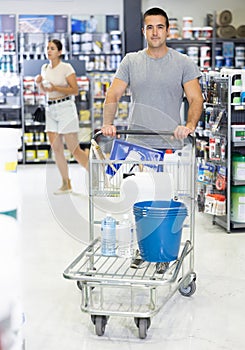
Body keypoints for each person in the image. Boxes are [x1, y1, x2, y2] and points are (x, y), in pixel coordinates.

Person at [101, 7, 204, 273]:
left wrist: (189, 125)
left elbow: (195, 99)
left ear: (168, 30)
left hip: (170, 146)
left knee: (164, 205)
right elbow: (113, 95)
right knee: (139, 203)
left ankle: (163, 252)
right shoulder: (131, 61)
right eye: (150, 27)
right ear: (143, 31)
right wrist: (108, 124)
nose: (155, 32)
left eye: (160, 27)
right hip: (138, 146)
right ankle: (142, 248)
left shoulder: (182, 63)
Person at [35, 39, 88, 195]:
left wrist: (55, 87)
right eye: (47, 48)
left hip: (66, 108)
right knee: (56, 149)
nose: (49, 51)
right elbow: (46, 90)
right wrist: (39, 84)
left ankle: (98, 178)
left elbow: (75, 90)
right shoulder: (44, 68)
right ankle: (66, 183)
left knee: (74, 149)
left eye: (52, 48)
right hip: (51, 109)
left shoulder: (66, 68)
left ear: (59, 52)